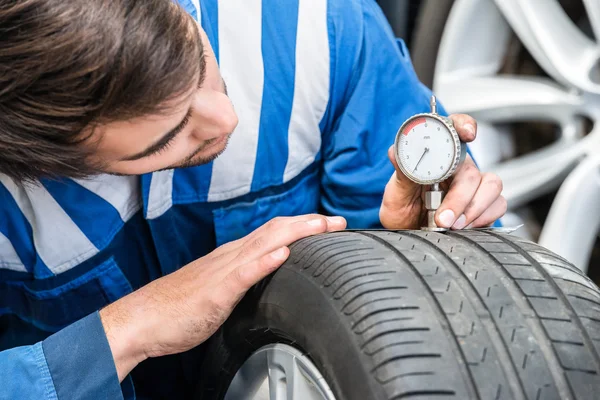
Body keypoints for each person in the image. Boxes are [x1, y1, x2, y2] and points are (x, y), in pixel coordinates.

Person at [0, 0, 506, 398]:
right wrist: (130, 328)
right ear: (46, 166)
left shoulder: (315, 29)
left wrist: (418, 249)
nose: (226, 117)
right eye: (169, 136)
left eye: (196, 57)